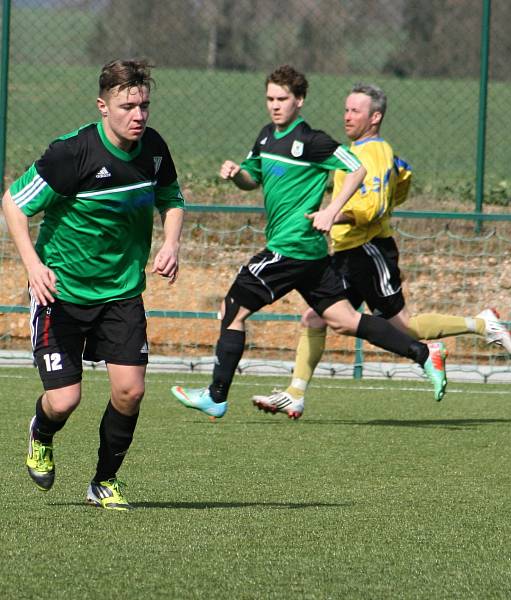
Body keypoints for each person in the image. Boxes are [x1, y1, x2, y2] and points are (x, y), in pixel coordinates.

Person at [171, 66, 447, 419]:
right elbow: (251, 180)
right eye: (270, 98)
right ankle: (423, 354)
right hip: (312, 257)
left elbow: (358, 169)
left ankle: (216, 395)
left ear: (299, 101)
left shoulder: (314, 141)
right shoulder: (267, 137)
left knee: (231, 310)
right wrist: (236, 174)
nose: (275, 106)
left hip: (291, 248)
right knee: (345, 320)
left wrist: (332, 210)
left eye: (282, 99)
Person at [251, 83, 511, 419]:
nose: (347, 116)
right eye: (346, 109)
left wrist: (334, 214)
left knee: (405, 326)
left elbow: (374, 206)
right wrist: (386, 198)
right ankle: (295, 394)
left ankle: (481, 324)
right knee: (315, 317)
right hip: (349, 250)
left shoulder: (372, 153)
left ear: (375, 117)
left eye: (355, 111)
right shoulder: (363, 150)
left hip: (368, 250)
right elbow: (403, 174)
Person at [1, 59, 185, 510]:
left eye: (144, 105)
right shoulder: (72, 154)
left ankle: (104, 481)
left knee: (131, 390)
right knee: (64, 400)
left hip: (121, 291)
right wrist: (32, 266)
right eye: (127, 106)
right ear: (103, 106)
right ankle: (41, 432)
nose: (138, 115)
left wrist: (172, 242)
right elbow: (13, 203)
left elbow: (172, 197)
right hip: (61, 292)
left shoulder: (154, 150)